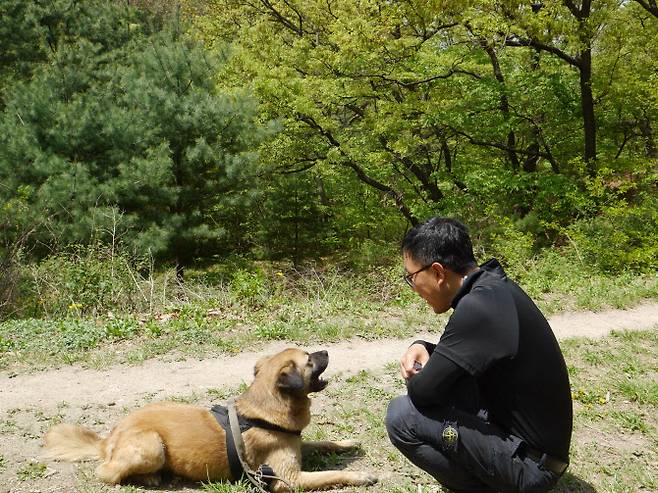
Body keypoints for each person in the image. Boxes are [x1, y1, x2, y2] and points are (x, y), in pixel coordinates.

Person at [385, 217, 573, 493]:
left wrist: (420, 370)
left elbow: (423, 393)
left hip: (531, 469)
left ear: (438, 272)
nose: (413, 288)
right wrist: (423, 345)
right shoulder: (493, 289)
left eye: (412, 278)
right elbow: (457, 361)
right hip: (537, 451)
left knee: (401, 416)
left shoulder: (477, 309)